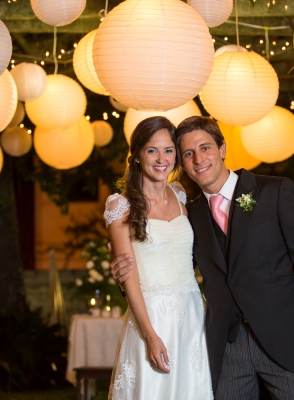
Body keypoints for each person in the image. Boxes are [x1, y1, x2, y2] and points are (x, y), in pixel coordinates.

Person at [110, 116, 294, 399]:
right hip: (226, 347)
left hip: (283, 339)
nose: (198, 159)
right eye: (188, 153)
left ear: (222, 149)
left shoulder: (273, 191)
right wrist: (122, 272)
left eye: (205, 148)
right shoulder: (191, 212)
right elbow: (172, 263)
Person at [104, 116, 213, 400]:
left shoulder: (180, 196)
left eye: (168, 150)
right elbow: (128, 276)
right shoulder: (120, 206)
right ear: (138, 156)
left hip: (192, 316)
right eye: (152, 150)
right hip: (151, 317)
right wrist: (150, 334)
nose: (161, 158)